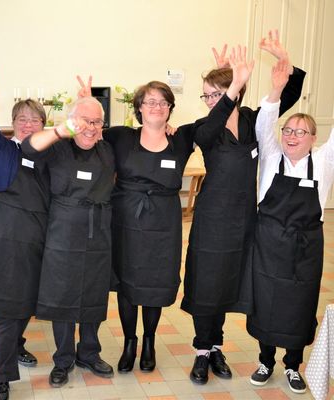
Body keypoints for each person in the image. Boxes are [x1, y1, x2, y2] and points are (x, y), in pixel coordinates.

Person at [182, 34, 306, 385]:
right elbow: (206, 135)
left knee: (227, 283)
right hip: (211, 219)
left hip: (243, 221)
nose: (208, 101)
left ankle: (215, 345)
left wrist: (285, 60)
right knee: (206, 282)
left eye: (213, 94)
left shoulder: (254, 120)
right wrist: (231, 86)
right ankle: (202, 350)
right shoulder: (205, 128)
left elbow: (289, 93)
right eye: (205, 95)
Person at [246, 59, 333, 394]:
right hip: (269, 241)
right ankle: (266, 360)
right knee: (266, 301)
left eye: (300, 131)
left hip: (306, 245)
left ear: (314, 138)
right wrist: (278, 86)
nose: (292, 135)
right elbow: (266, 118)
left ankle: (293, 365)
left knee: (300, 303)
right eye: (288, 130)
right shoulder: (270, 155)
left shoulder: (325, 160)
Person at [21, 96, 115, 388]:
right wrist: (62, 130)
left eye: (96, 122)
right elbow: (27, 146)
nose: (90, 128)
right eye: (85, 121)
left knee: (93, 293)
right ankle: (63, 358)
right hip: (62, 232)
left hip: (98, 231)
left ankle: (89, 352)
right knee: (62, 295)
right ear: (72, 121)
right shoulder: (57, 147)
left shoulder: (108, 149)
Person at [0, 56, 49, 400]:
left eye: (35, 119)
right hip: (4, 237)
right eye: (22, 119)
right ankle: (1, 378)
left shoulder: (53, 155)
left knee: (28, 300)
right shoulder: (2, 150)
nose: (28, 124)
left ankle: (16, 345)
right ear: (13, 124)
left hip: (40, 238)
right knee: (4, 307)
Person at [103, 81, 194, 373]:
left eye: (162, 102)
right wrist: (82, 105)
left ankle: (150, 341)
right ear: (139, 107)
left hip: (163, 225)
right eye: (150, 101)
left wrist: (236, 86)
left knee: (155, 282)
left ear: (170, 109)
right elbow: (86, 136)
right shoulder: (119, 136)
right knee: (127, 282)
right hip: (126, 221)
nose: (156, 106)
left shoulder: (182, 140)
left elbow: (216, 121)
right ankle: (130, 342)